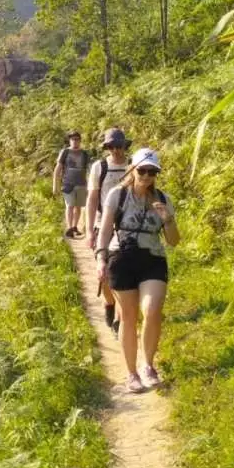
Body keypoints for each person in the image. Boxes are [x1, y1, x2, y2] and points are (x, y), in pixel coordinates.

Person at [94, 147, 180, 394]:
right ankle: (131, 373)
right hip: (121, 257)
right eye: (143, 170)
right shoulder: (117, 195)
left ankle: (148, 366)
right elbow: (106, 229)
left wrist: (168, 220)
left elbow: (174, 241)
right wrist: (101, 259)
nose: (147, 176)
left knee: (152, 310)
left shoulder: (163, 200)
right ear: (133, 169)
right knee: (128, 318)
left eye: (152, 172)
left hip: (152, 258)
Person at [86, 127, 132, 336]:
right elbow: (92, 198)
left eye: (119, 146)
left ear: (124, 146)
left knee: (122, 273)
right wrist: (89, 230)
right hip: (101, 223)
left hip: (126, 226)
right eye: (111, 146)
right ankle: (109, 303)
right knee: (103, 273)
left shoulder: (134, 166)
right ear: (107, 147)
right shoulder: (99, 167)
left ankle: (120, 321)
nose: (116, 150)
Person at [52, 131, 90, 238]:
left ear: (80, 140)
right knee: (69, 205)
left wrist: (90, 185)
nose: (75, 141)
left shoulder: (84, 153)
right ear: (69, 140)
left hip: (81, 183)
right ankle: (69, 227)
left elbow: (87, 170)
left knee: (78, 207)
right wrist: (55, 185)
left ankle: (74, 227)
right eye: (73, 139)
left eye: (77, 139)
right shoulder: (65, 152)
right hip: (68, 184)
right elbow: (58, 169)